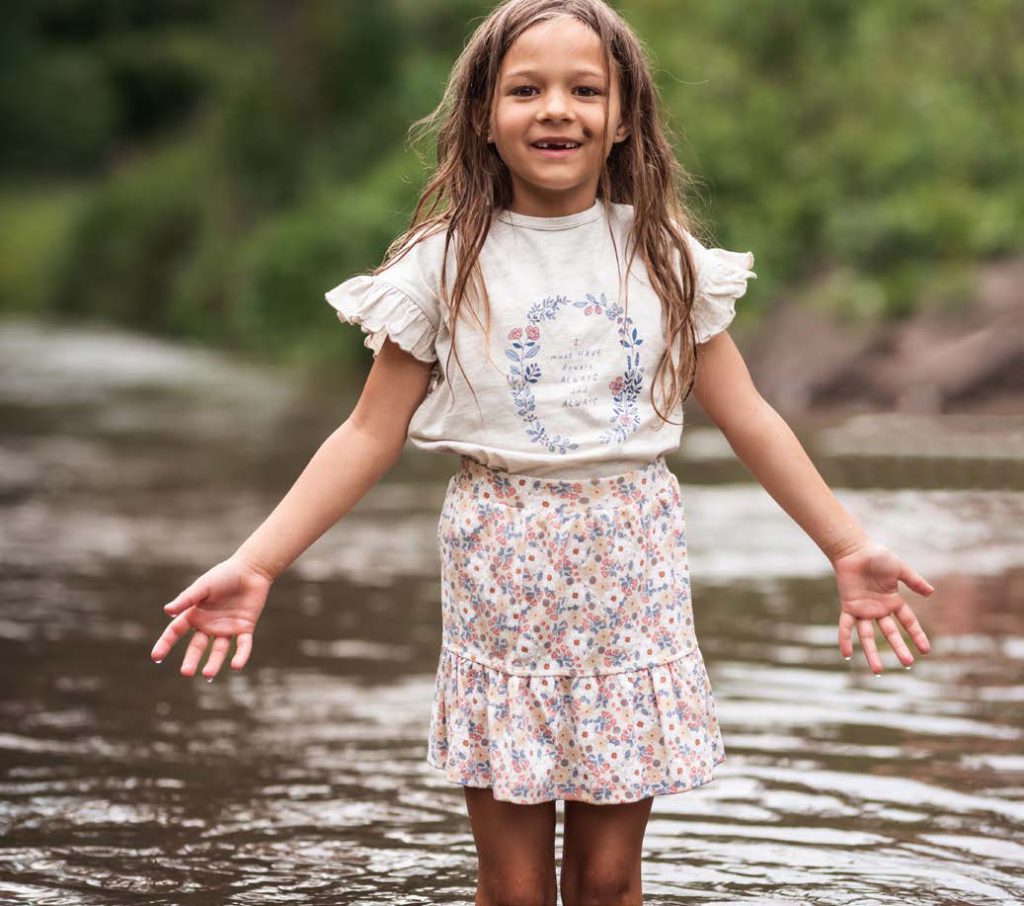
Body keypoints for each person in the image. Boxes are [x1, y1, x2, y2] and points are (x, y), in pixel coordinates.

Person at [150, 1, 935, 902]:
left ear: (624, 116)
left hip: (630, 574)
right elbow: (368, 433)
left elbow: (749, 416)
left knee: (608, 880)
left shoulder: (665, 259)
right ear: (484, 116)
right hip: (501, 573)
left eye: (584, 89)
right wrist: (258, 563)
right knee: (514, 886)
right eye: (526, 90)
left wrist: (844, 544)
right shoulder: (443, 265)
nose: (556, 109)